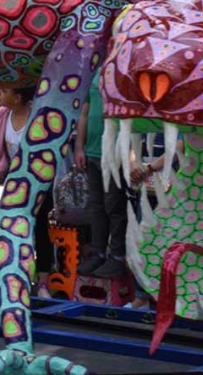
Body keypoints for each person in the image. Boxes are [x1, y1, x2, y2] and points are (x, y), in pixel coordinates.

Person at [0, 84, 52, 291]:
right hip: (13, 184)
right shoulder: (1, 115)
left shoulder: (37, 117)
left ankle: (42, 282)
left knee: (40, 229)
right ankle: (16, 276)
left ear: (17, 97)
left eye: (4, 91)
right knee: (13, 231)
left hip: (38, 183)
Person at [73, 75, 130, 277]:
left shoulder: (124, 73)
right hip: (93, 152)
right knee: (96, 206)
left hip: (115, 154)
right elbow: (85, 113)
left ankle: (117, 256)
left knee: (114, 205)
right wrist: (79, 147)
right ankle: (98, 253)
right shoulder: (95, 74)